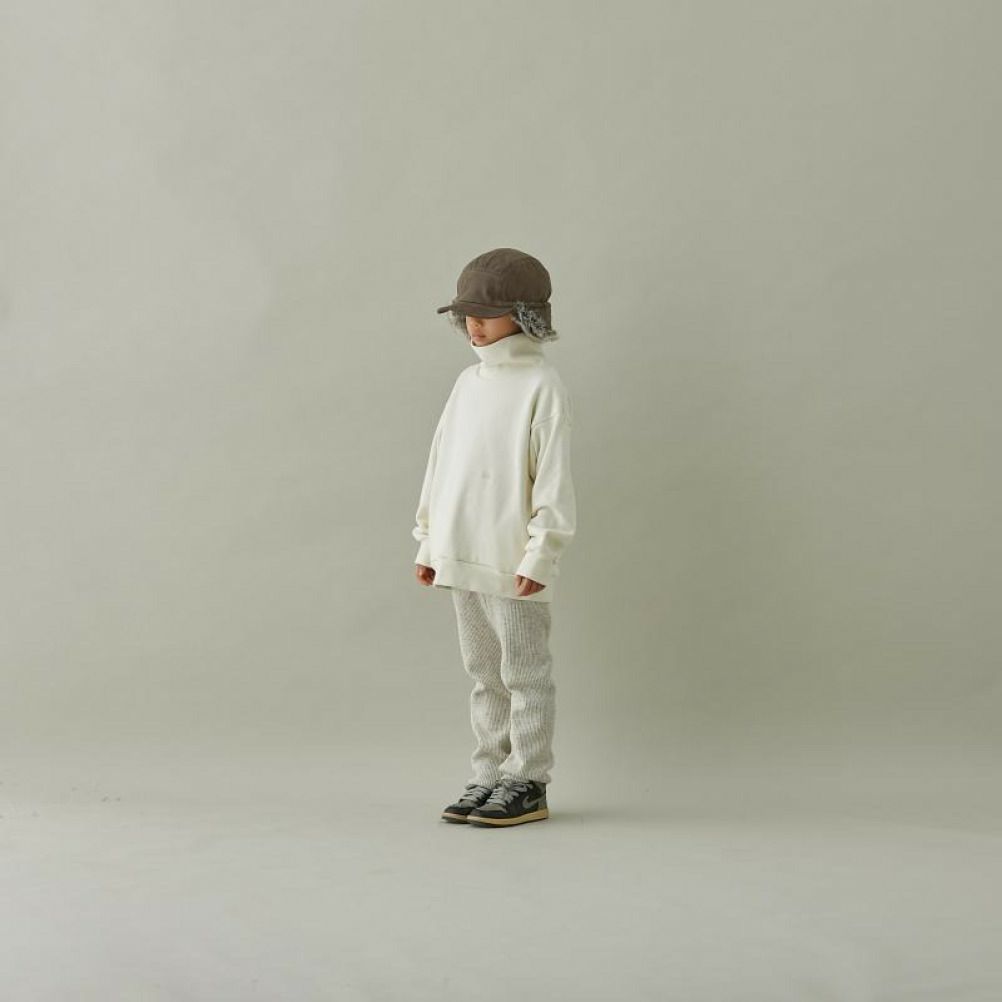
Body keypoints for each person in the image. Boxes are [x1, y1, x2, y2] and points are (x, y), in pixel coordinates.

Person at [412, 248, 577, 828]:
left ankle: (527, 779)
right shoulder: (468, 383)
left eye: (486, 313)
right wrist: (429, 542)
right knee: (484, 674)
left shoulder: (541, 385)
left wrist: (541, 554)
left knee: (524, 673)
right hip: (460, 553)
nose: (473, 326)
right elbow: (442, 464)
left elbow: (552, 480)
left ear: (525, 314)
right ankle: (489, 774)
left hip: (511, 561)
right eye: (466, 314)